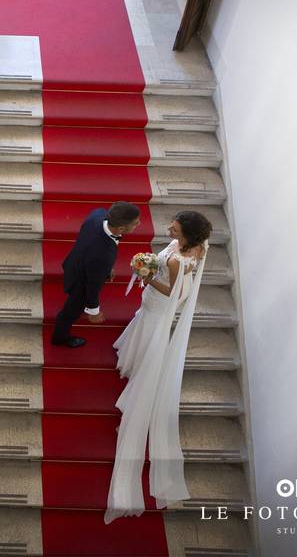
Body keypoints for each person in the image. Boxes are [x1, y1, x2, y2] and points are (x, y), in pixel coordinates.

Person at [104, 210, 213, 524]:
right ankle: (134, 353)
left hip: (161, 301)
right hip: (158, 296)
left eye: (174, 227)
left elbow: (175, 291)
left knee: (149, 332)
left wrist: (147, 275)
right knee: (142, 326)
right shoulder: (196, 246)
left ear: (186, 234)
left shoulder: (179, 260)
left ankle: (139, 378)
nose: (168, 228)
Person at [51, 201, 142, 348]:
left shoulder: (98, 214)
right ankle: (60, 337)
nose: (139, 224)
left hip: (77, 261)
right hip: (80, 279)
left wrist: (105, 269)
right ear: (121, 228)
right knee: (70, 312)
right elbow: (93, 285)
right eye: (136, 223)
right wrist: (94, 311)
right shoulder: (102, 255)